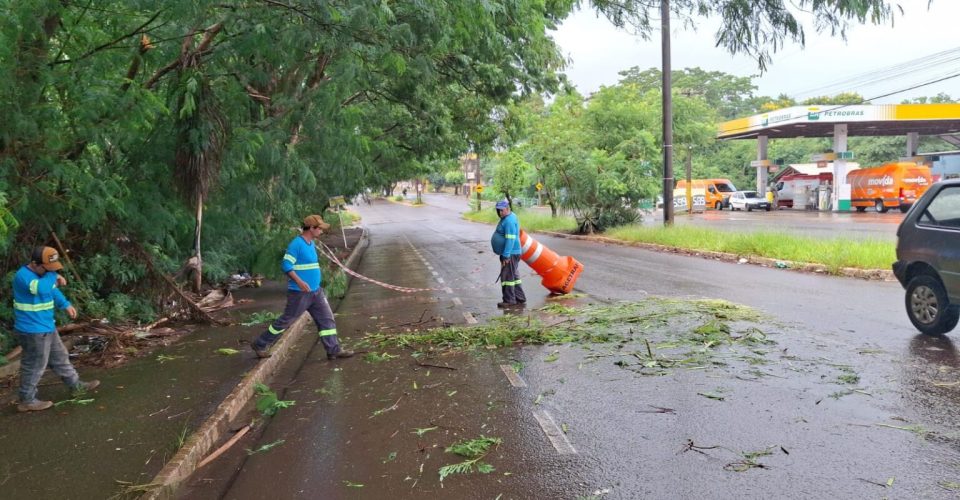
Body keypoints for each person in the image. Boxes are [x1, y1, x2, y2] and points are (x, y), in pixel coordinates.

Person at [251, 215, 354, 360]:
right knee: (286, 320)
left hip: (315, 292)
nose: (322, 231)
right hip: (300, 293)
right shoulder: (296, 244)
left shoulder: (311, 243)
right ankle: (261, 344)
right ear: (311, 228)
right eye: (320, 228)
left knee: (327, 319)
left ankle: (333, 350)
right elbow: (286, 265)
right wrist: (299, 282)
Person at [12, 246, 99, 412]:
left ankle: (76, 386)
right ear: (34, 263)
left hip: (47, 326)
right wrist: (53, 275)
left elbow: (52, 291)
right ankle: (27, 400)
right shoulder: (23, 276)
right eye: (47, 268)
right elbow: (43, 288)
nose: (49, 271)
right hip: (32, 330)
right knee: (35, 364)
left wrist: (65, 304)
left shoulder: (44, 275)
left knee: (60, 356)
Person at [491, 200, 526, 308]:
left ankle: (509, 300)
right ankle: (520, 298)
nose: (500, 213)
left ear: (507, 209)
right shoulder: (508, 217)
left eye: (502, 210)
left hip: (510, 253)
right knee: (514, 276)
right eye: (498, 211)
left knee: (507, 278)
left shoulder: (509, 221)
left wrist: (506, 255)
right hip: (511, 253)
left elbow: (510, 239)